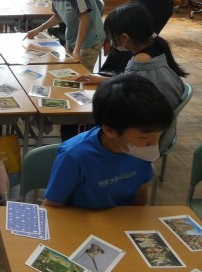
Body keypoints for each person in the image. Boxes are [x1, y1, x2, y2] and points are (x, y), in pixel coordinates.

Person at [42, 73, 173, 209]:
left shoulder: (142, 151)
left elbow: (139, 202)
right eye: (144, 138)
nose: (154, 144)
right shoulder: (74, 156)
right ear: (109, 130)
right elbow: (51, 208)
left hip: (120, 218)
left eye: (159, 133)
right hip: (81, 219)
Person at [72, 2, 186, 148]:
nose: (112, 42)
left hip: (146, 137)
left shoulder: (140, 62)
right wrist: (102, 79)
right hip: (159, 130)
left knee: (76, 126)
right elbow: (134, 81)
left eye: (112, 37)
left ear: (124, 38)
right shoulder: (156, 49)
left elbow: (127, 94)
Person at [24, 0, 105, 71]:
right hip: (73, 38)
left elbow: (84, 20)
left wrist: (77, 49)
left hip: (89, 41)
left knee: (81, 75)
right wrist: (39, 29)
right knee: (69, 72)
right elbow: (58, 16)